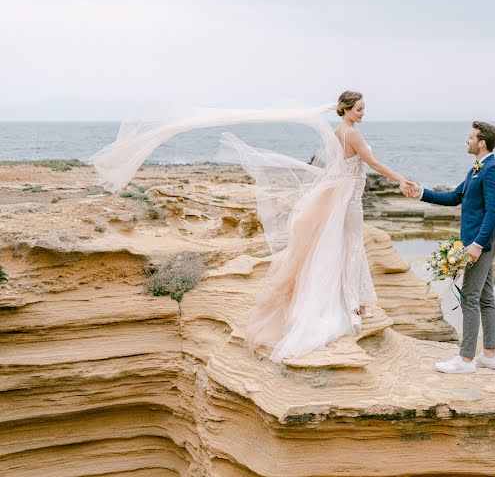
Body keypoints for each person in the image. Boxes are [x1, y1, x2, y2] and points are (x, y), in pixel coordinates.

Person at [90, 91, 415, 361]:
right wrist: (401, 179)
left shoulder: (336, 132)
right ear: (347, 109)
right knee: (350, 247)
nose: (363, 113)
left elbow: (333, 166)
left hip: (342, 195)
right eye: (360, 109)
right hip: (350, 200)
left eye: (364, 109)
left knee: (338, 249)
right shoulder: (353, 133)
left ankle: (349, 302)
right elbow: (370, 164)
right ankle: (351, 305)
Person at [405, 121, 495, 374]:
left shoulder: (493, 169)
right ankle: (490, 355)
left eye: (470, 137)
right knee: (485, 297)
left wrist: (476, 245)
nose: (467, 140)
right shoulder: (476, 168)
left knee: (469, 298)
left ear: (482, 142)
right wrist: (420, 193)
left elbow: (493, 212)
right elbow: (455, 197)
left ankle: (466, 359)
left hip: (480, 244)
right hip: (477, 243)